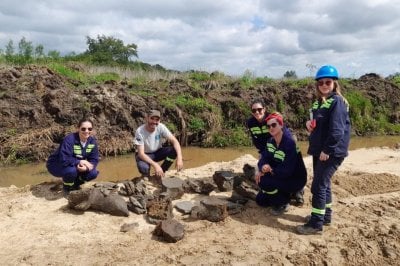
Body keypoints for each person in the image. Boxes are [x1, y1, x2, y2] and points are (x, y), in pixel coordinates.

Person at [296, 65, 351, 235]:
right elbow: (316, 124)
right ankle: (325, 216)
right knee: (324, 185)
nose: (324, 85)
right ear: (317, 85)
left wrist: (327, 150)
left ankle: (316, 224)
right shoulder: (319, 102)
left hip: (330, 152)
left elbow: (337, 131)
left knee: (318, 186)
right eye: (321, 82)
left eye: (328, 82)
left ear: (334, 83)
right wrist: (308, 125)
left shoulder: (338, 102)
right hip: (319, 150)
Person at [247, 99, 305, 206]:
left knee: (287, 169)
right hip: (268, 148)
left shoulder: (271, 119)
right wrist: (264, 157)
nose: (257, 112)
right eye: (254, 110)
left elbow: (283, 133)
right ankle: (276, 191)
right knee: (263, 171)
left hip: (280, 147)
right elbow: (256, 139)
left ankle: (297, 191)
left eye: (259, 109)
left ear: (264, 109)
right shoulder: (250, 123)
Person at [255, 112, 307, 215]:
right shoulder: (270, 141)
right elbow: (264, 158)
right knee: (260, 201)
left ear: (281, 125)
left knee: (263, 181)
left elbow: (287, 170)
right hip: (280, 174)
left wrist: (269, 171)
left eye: (274, 125)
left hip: (295, 179)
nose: (271, 128)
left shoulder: (289, 143)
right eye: (268, 126)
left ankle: (283, 203)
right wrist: (263, 167)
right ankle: (285, 195)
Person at [46, 118, 99, 194]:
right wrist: (80, 161)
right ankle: (67, 187)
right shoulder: (69, 139)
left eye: (89, 129)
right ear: (78, 129)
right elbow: (64, 159)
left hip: (73, 164)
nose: (87, 131)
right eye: (83, 129)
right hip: (57, 164)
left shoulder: (92, 142)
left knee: (93, 173)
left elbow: (94, 159)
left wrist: (86, 168)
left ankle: (77, 183)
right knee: (71, 171)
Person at [134, 109, 183, 178]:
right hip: (145, 154)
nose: (154, 122)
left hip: (157, 152)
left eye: (157, 120)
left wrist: (179, 158)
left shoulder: (161, 127)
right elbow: (141, 154)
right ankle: (146, 176)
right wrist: (155, 165)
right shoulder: (140, 131)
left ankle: (162, 171)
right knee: (144, 168)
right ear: (147, 118)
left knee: (174, 150)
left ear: (159, 121)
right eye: (152, 118)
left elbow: (175, 141)